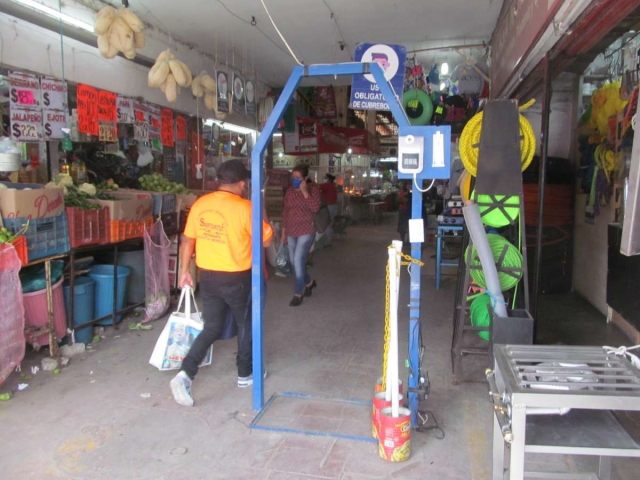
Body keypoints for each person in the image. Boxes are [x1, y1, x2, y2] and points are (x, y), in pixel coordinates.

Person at [170, 159, 273, 407]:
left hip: (207, 276)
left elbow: (186, 241)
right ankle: (244, 374)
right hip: (237, 278)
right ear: (241, 183)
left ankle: (185, 373)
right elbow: (267, 241)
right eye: (245, 182)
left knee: (212, 328)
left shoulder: (201, 204)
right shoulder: (246, 207)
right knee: (246, 323)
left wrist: (184, 271)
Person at [281, 165, 321, 307]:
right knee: (293, 261)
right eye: (293, 177)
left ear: (305, 179)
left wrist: (304, 191)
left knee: (298, 260)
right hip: (291, 231)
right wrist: (283, 232)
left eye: (298, 178)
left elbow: (315, 207)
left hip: (306, 230)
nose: (295, 180)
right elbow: (285, 211)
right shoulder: (290, 192)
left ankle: (298, 293)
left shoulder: (312, 190)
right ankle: (309, 282)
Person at [319, 173, 338, 246]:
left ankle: (327, 242)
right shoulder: (333, 186)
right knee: (329, 225)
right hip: (334, 207)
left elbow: (317, 187)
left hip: (329, 207)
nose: (324, 179)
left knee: (327, 225)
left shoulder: (327, 185)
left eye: (325, 178)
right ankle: (328, 241)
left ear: (328, 179)